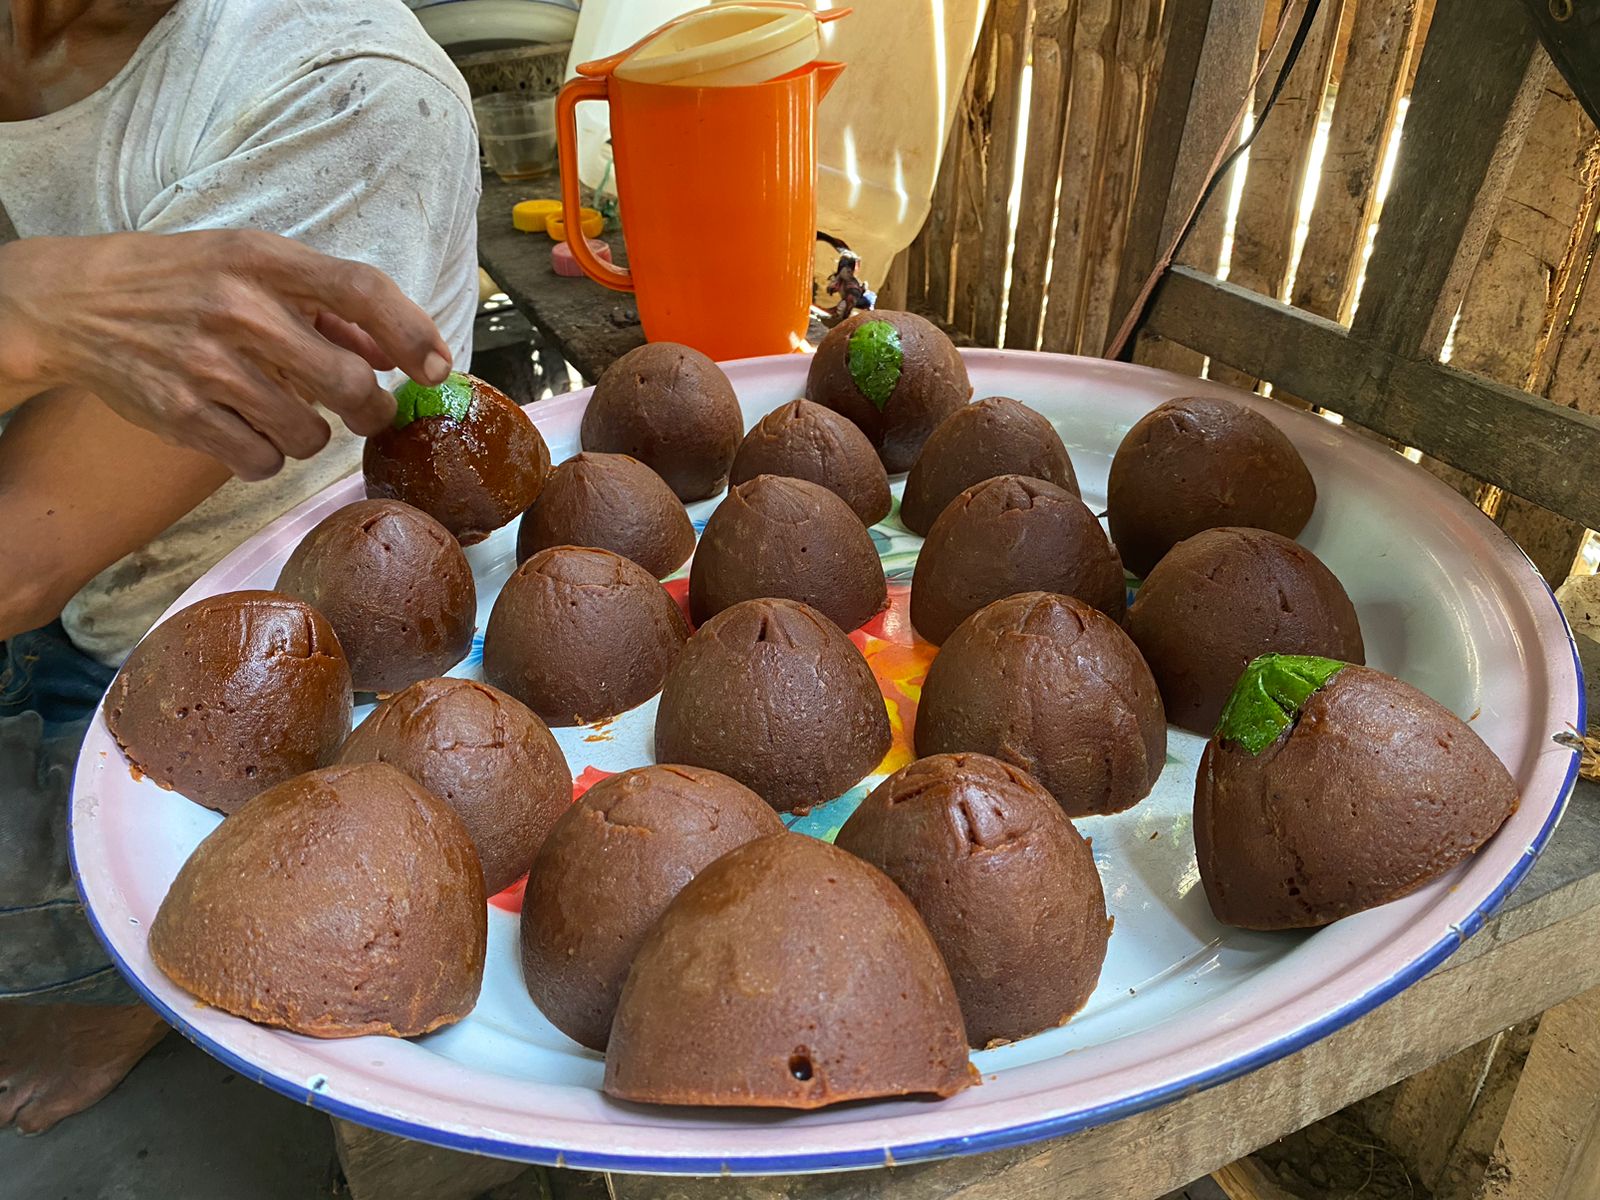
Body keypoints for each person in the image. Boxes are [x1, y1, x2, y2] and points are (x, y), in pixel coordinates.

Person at [0, 0, 482, 1133]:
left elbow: (21, 553)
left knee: (151, 931)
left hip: (232, 670)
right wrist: (27, 310)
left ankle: (158, 962)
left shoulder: (347, 87)